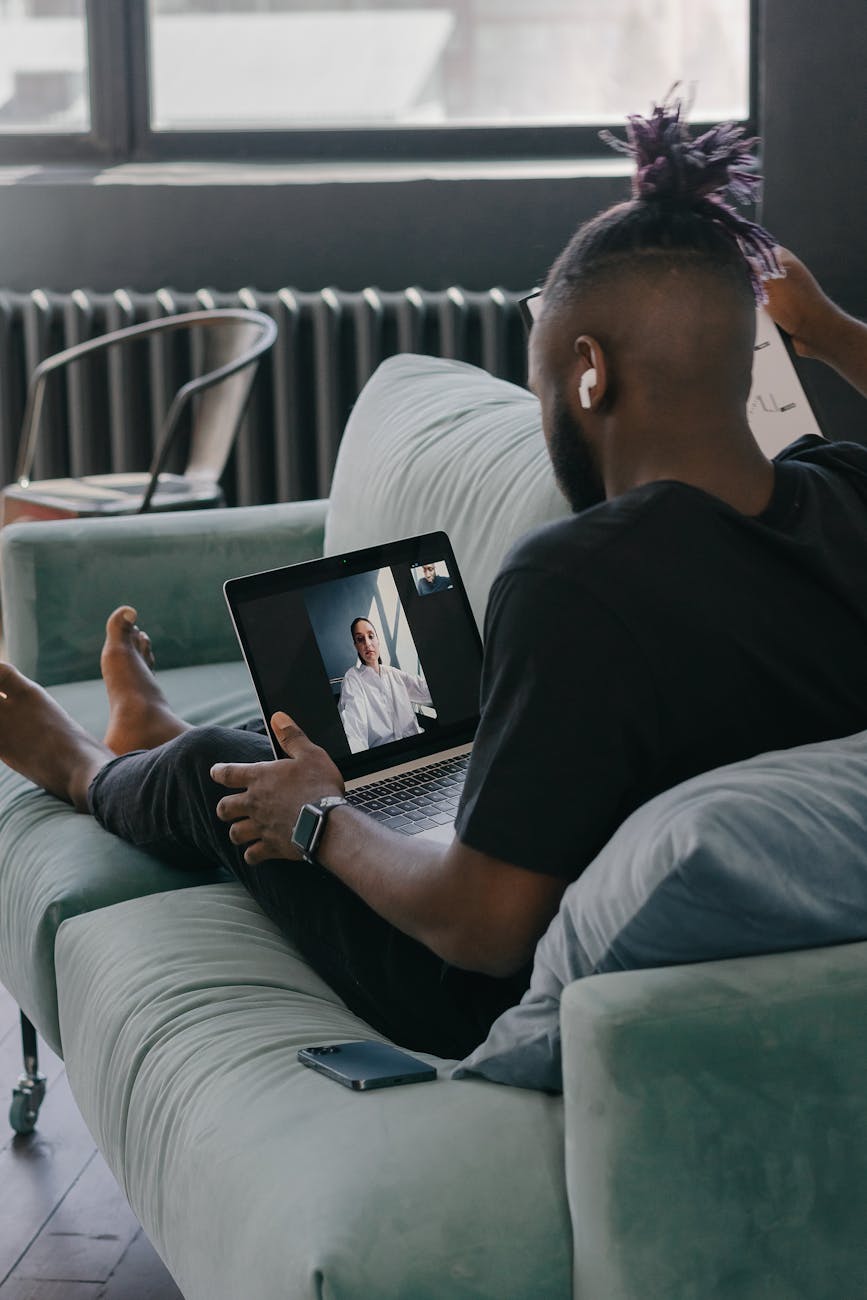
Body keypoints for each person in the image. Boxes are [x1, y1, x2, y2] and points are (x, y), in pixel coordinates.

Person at [2, 94, 867, 1061]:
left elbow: (482, 928)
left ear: (588, 374)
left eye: (540, 382)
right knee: (335, 753)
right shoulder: (843, 492)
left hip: (472, 991)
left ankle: (89, 767)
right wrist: (831, 331)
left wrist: (319, 820)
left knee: (226, 770)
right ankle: (156, 740)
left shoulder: (580, 577)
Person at [338, 617, 432, 753]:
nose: (367, 643)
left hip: (418, 746)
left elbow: (425, 690)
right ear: (356, 646)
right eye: (360, 639)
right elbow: (355, 730)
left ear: (378, 640)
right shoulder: (353, 678)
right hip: (387, 755)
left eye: (371, 636)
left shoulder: (393, 673)